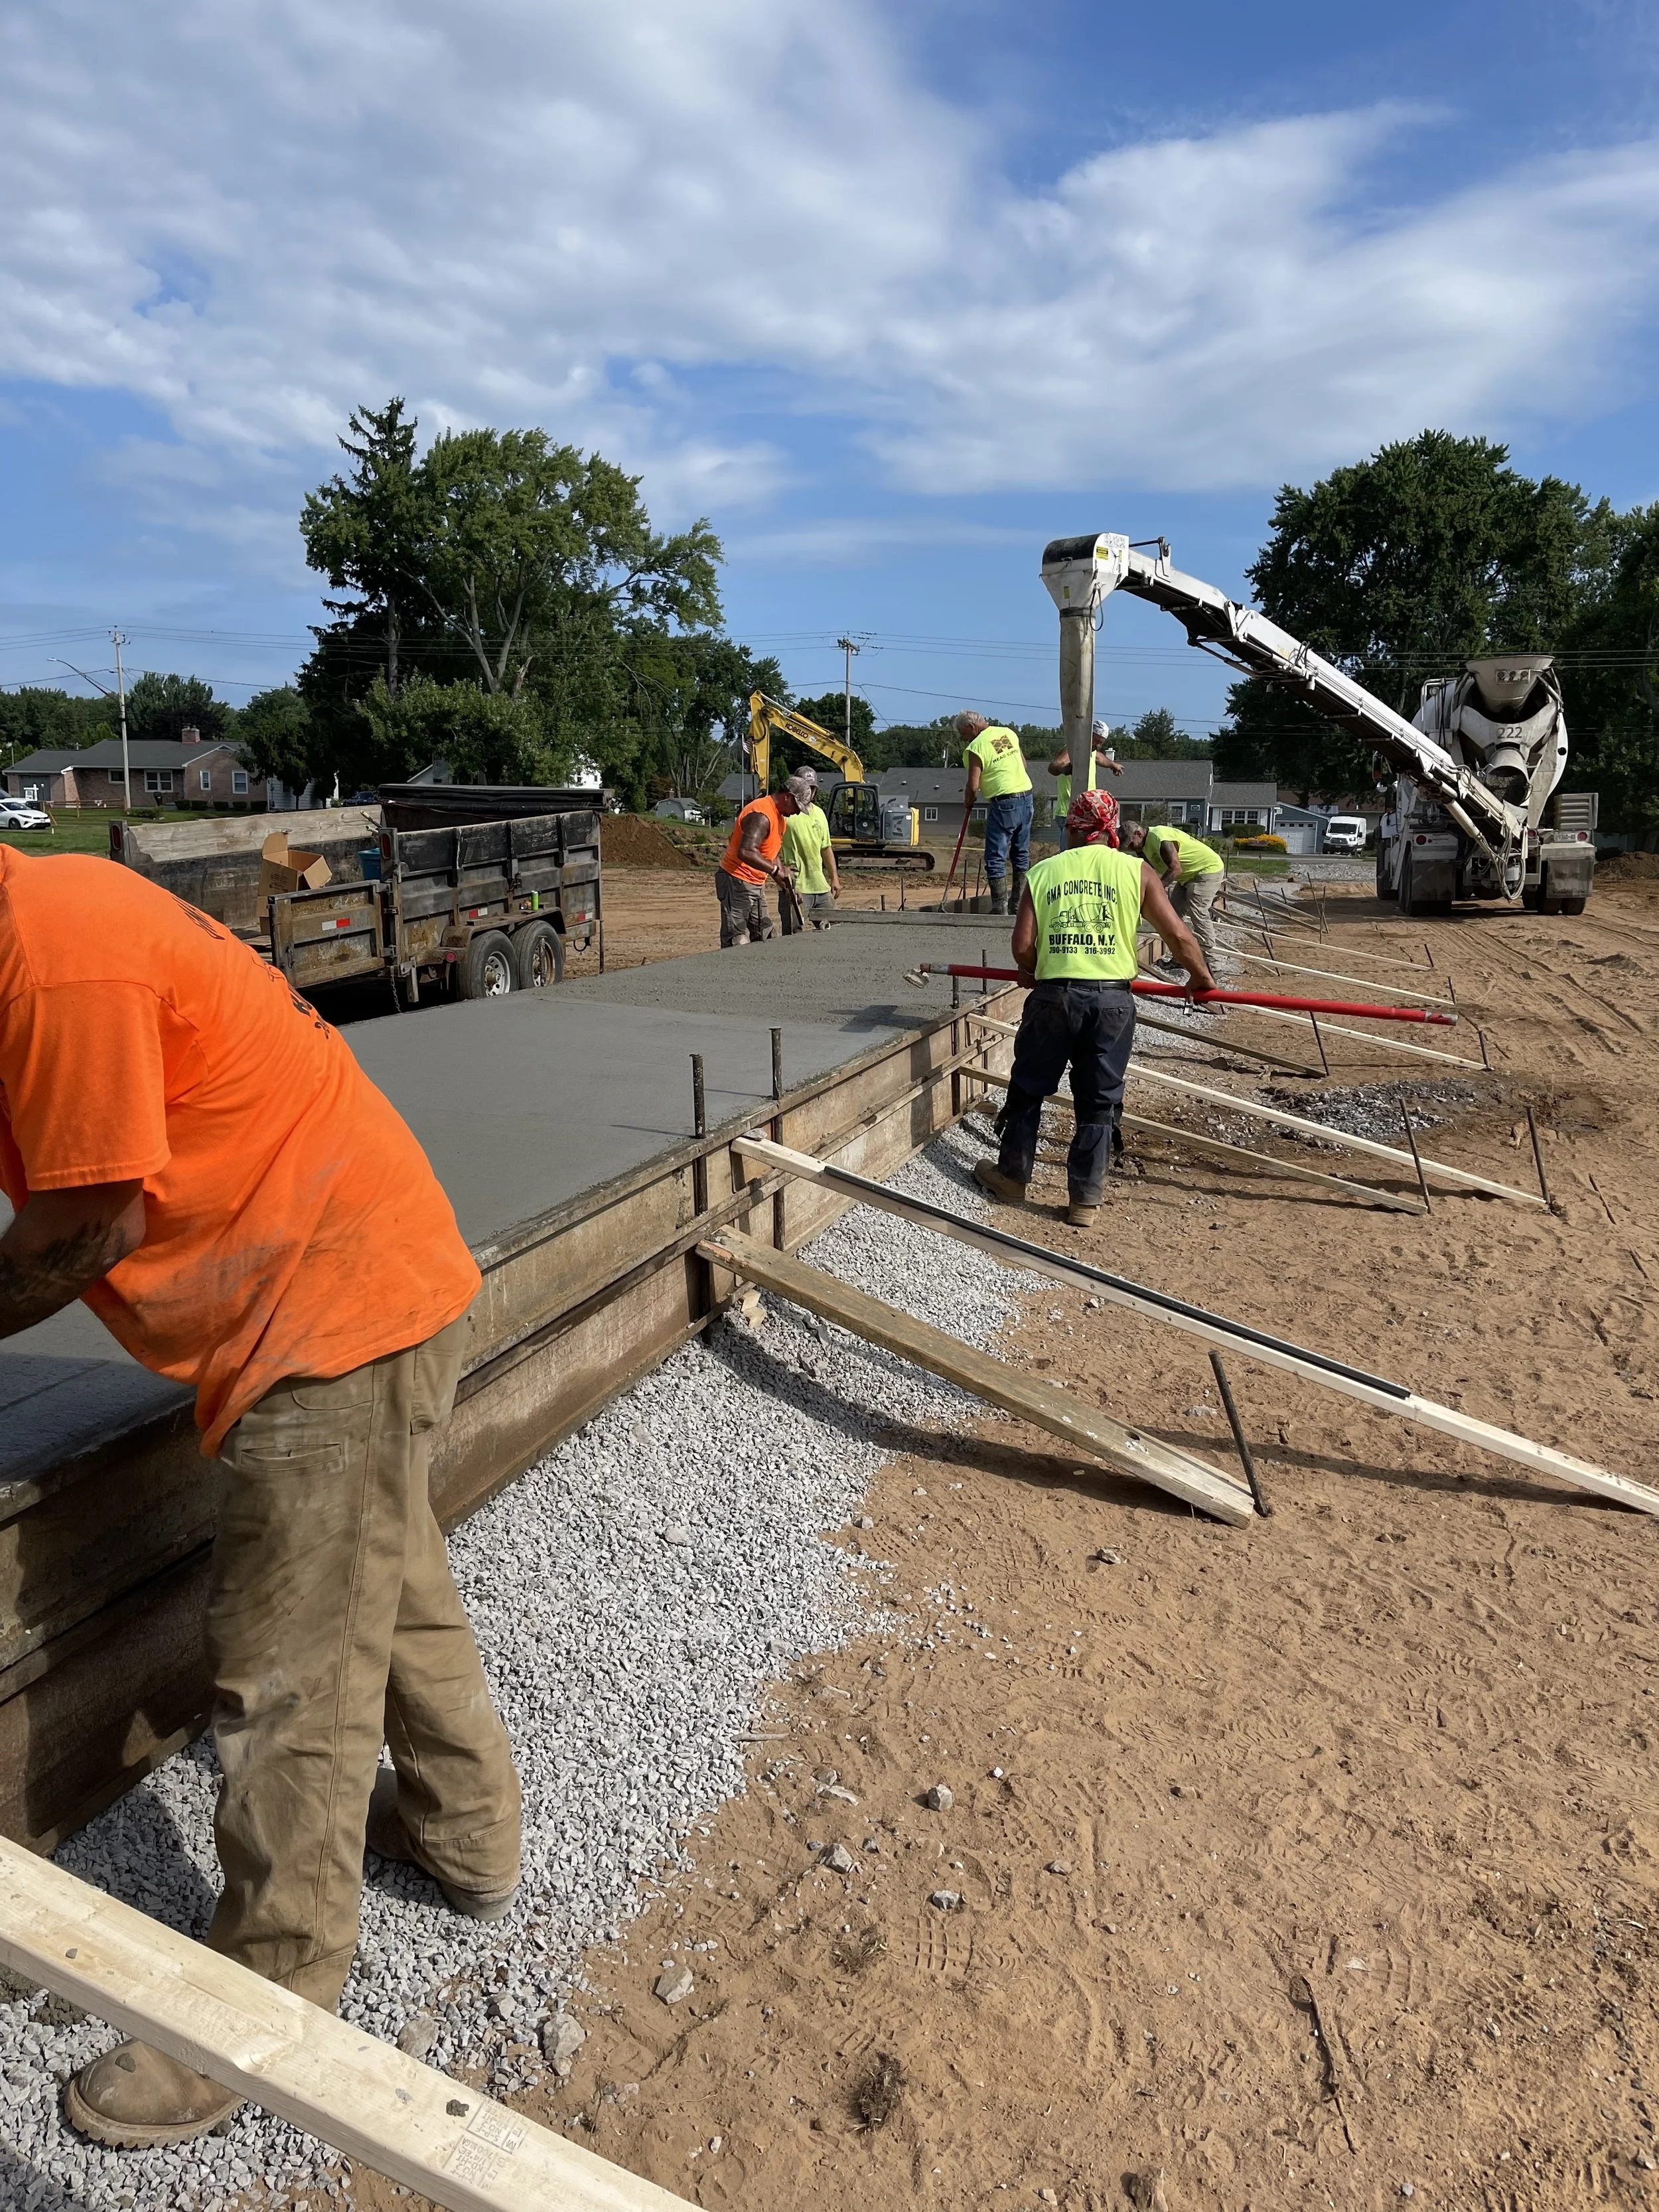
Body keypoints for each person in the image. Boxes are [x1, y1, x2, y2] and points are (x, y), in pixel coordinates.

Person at [0, 844, 522, 2149]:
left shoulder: (57, 957)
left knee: (285, 1664)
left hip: (330, 1307)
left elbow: (87, 1226)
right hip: (358, 1271)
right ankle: (468, 1838)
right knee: (383, 1586)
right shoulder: (37, 930)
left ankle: (270, 1999)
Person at [973, 789, 1216, 1227]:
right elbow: (1179, 937)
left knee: (1029, 1088)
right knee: (1099, 1101)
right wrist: (1200, 979)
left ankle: (1011, 1176)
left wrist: (1035, 968)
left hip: (1054, 996)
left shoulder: (1044, 872)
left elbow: (1022, 947)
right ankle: (1085, 1198)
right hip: (1110, 1001)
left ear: (1071, 829)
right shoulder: (1138, 871)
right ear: (1112, 831)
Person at [1125, 818, 1226, 971]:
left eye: (1131, 844)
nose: (1131, 848)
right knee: (1173, 915)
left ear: (1139, 833)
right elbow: (1148, 873)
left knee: (1198, 912)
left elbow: (1176, 869)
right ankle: (1181, 958)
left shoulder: (1160, 838)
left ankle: (1213, 963)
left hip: (1206, 870)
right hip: (1187, 876)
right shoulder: (1142, 848)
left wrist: (1155, 890)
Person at [958, 709, 1032, 917]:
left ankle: (1000, 907)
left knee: (995, 857)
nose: (963, 739)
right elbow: (1023, 764)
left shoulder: (976, 747)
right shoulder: (1006, 734)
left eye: (963, 734)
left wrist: (969, 801)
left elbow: (973, 786)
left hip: (1004, 802)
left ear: (972, 728)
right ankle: (1017, 906)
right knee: (1021, 854)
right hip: (1026, 797)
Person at [716, 777, 806, 946]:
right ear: (787, 797)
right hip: (737, 880)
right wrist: (775, 871)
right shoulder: (761, 814)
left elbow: (771, 855)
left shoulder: (779, 817)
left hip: (756, 883)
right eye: (797, 807)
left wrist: (787, 887)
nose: (797, 812)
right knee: (737, 939)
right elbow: (746, 851)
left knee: (766, 934)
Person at [777, 778, 840, 931]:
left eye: (812, 788)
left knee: (835, 928)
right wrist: (782, 875)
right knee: (794, 932)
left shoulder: (819, 813)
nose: (808, 792)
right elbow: (770, 848)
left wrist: (834, 878)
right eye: (805, 787)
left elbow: (826, 848)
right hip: (797, 887)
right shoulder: (786, 813)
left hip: (820, 886)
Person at [1047, 719, 1123, 846]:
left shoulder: (1091, 752)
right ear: (1088, 735)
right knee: (1070, 853)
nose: (1098, 745)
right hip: (1070, 812)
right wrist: (1064, 769)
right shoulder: (1073, 751)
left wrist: (1113, 765)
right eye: (1096, 741)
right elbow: (1053, 766)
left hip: (1084, 813)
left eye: (1101, 742)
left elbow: (1100, 757)